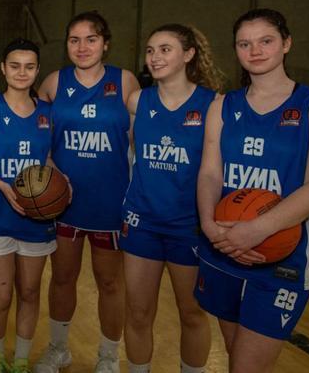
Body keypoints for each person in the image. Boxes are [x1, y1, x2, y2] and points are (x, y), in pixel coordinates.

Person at [195, 9, 309, 373]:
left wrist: (258, 229)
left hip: (282, 257)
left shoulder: (308, 105)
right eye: (245, 44)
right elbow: (211, 174)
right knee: (235, 358)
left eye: (266, 41)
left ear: (286, 43)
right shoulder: (222, 106)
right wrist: (210, 226)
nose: (255, 50)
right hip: (225, 246)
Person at [36, 11, 140, 373]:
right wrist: (47, 166)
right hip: (62, 203)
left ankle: (109, 358)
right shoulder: (53, 82)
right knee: (62, 278)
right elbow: (35, 132)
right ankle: (59, 348)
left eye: (91, 39)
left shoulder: (125, 82)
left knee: (110, 283)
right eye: (74, 40)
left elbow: (139, 138)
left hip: (110, 203)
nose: (82, 47)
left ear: (105, 43)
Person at [121, 24, 224, 373]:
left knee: (192, 313)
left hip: (190, 226)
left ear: (189, 54)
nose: (155, 57)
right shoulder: (138, 100)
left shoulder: (212, 105)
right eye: (150, 50)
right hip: (142, 222)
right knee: (137, 312)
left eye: (165, 49)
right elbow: (135, 152)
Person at [0, 38, 59, 373]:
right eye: (14, 65)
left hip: (38, 218)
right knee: (1, 294)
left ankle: (21, 360)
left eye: (28, 66)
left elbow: (49, 160)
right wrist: (4, 187)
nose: (21, 72)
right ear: (2, 68)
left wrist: (59, 182)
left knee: (29, 290)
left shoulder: (46, 114)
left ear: (37, 70)